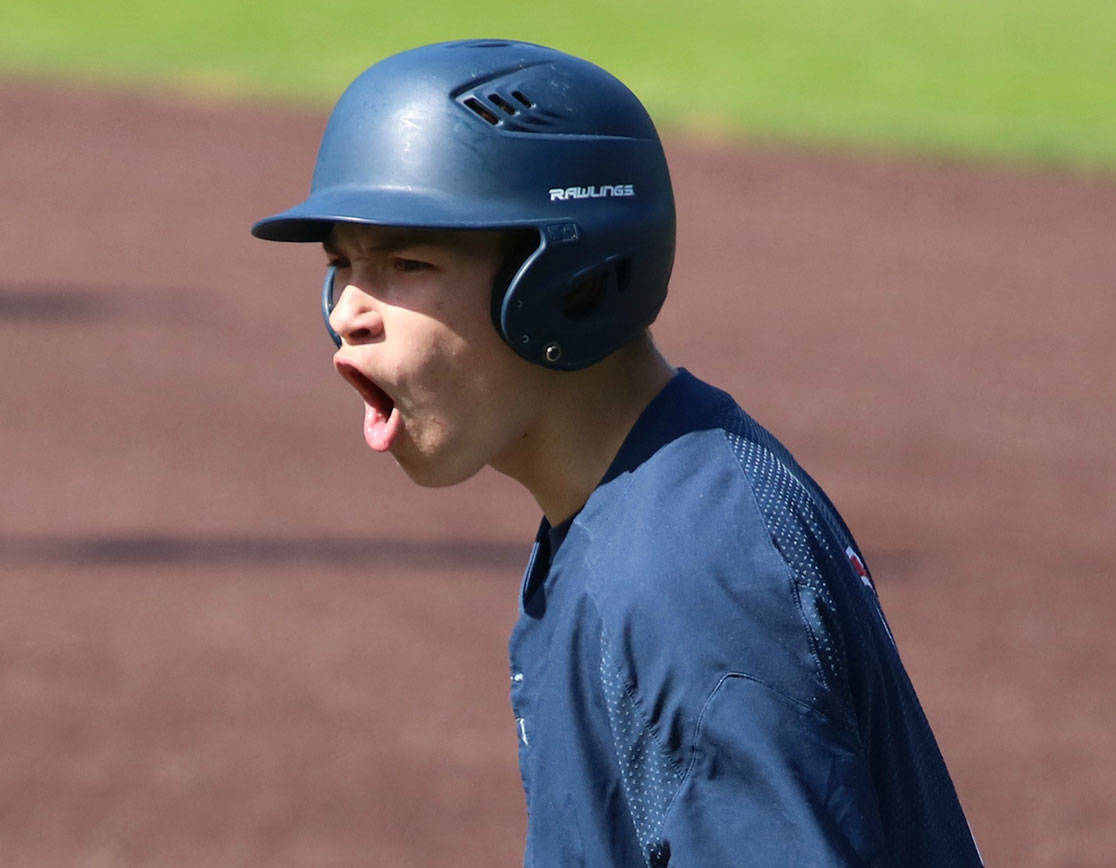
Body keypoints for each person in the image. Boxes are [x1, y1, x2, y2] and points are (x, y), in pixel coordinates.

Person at [253, 39, 982, 867]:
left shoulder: (688, 578)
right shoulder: (645, 498)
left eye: (406, 264)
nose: (350, 309)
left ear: (572, 280)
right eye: (341, 265)